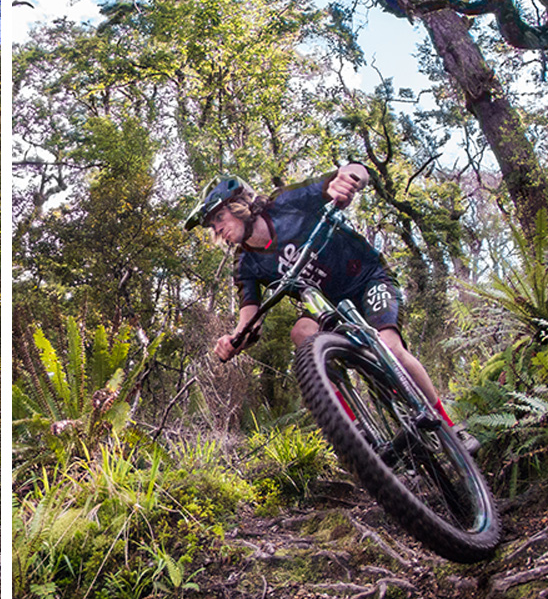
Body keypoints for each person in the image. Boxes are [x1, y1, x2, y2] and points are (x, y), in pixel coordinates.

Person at [184, 163, 477, 452]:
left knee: (390, 348)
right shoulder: (246, 263)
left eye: (219, 216)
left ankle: (449, 427)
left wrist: (348, 180)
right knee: (301, 332)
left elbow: (354, 170)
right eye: (212, 225)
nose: (217, 228)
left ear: (240, 204)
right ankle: (353, 428)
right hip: (327, 304)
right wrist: (234, 341)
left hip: (368, 279)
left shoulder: (286, 202)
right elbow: (249, 318)